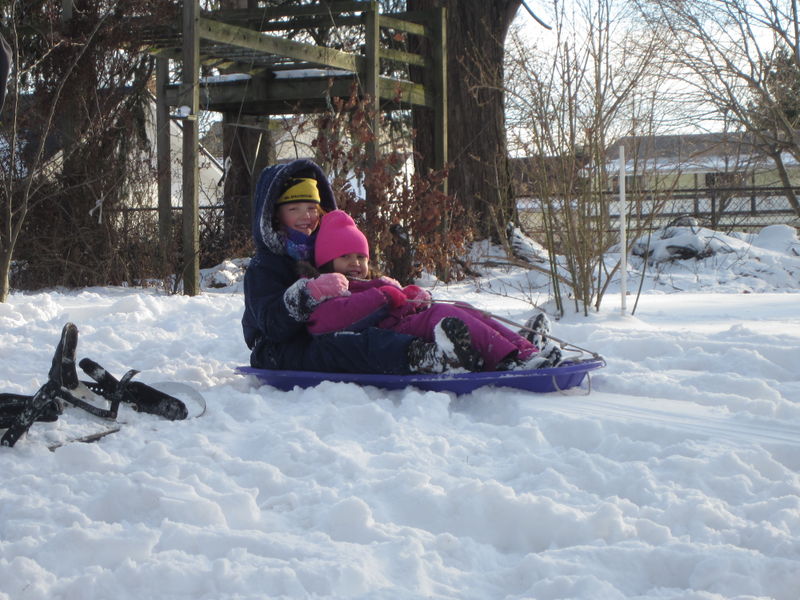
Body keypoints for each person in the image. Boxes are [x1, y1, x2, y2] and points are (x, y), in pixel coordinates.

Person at [241, 159, 480, 374]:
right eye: (294, 209)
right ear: (275, 215)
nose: (306, 216)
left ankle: (475, 347)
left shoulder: (322, 249)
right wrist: (308, 294)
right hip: (278, 349)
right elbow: (271, 325)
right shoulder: (264, 266)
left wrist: (391, 290)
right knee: (348, 344)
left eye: (312, 208)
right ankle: (422, 357)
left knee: (385, 326)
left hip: (328, 327)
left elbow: (353, 281)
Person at [305, 210, 561, 371]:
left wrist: (412, 297)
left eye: (361, 257)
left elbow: (395, 298)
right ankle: (507, 359)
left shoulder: (372, 281)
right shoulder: (330, 289)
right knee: (441, 313)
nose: (355, 263)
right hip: (388, 333)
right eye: (345, 256)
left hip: (404, 320)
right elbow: (327, 321)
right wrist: (385, 297)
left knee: (466, 310)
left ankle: (526, 349)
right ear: (327, 262)